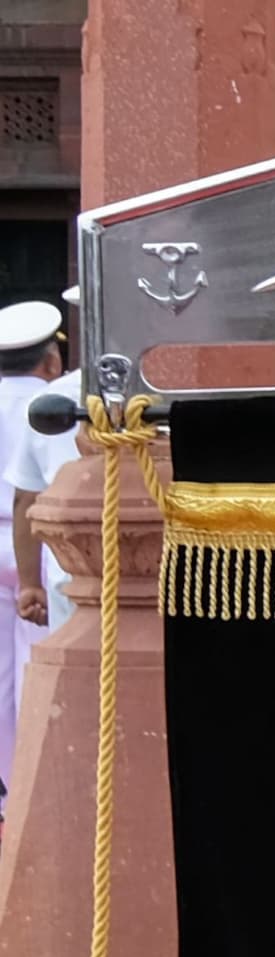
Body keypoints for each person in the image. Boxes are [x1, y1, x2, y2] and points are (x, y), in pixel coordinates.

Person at [0, 298, 66, 803]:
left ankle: (6, 790)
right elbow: (31, 494)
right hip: (33, 541)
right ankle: (30, 782)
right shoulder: (56, 402)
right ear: (51, 360)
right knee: (33, 662)